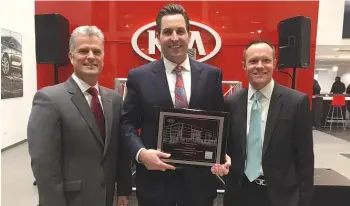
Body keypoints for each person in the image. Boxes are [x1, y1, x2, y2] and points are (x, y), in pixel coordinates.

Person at [120, 4, 230, 206]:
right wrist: (142, 154)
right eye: (167, 32)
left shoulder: (212, 75)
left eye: (180, 31)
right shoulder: (139, 77)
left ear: (189, 35)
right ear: (158, 37)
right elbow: (127, 124)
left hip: (199, 186)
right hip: (155, 186)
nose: (174, 37)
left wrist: (223, 154)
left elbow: (219, 123)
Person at [27, 25, 131, 206]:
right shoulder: (48, 99)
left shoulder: (114, 100)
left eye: (97, 51)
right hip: (70, 200)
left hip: (106, 198)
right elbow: (44, 165)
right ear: (71, 57)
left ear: (103, 57)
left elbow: (118, 152)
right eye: (83, 51)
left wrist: (123, 190)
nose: (91, 56)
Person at [223, 39, 314, 206]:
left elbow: (305, 158)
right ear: (244, 65)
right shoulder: (231, 103)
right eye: (253, 61)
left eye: (265, 60)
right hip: (240, 194)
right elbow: (227, 148)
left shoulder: (296, 102)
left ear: (274, 63)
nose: (259, 66)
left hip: (282, 197)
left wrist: (305, 200)